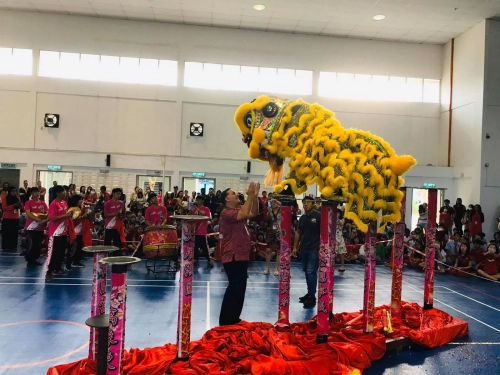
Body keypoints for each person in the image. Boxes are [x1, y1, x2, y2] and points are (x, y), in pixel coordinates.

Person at [218, 182, 259, 326]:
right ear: (227, 199)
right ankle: (229, 320)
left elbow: (253, 212)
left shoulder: (238, 209)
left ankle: (231, 318)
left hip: (241, 255)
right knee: (236, 288)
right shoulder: (226, 213)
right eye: (233, 193)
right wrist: (249, 196)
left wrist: (255, 197)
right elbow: (243, 213)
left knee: (238, 288)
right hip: (233, 256)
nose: (236, 195)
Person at [292, 196, 321, 308]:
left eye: (308, 202)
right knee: (306, 271)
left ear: (313, 204)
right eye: (304, 202)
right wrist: (295, 247)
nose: (305, 204)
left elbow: (324, 232)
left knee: (311, 272)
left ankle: (312, 297)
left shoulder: (319, 216)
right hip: (303, 248)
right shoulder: (303, 218)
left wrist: (321, 248)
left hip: (314, 249)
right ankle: (309, 293)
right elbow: (298, 233)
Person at [46, 185, 71, 281]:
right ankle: (49, 272)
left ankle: (58, 268)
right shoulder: (54, 204)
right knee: (53, 253)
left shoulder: (64, 203)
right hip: (55, 233)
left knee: (61, 252)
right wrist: (66, 215)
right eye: (63, 192)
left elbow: (67, 216)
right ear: (57, 193)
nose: (65, 193)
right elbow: (53, 218)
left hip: (63, 232)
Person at [24, 187, 49, 267]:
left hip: (40, 227)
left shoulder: (43, 203)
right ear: (31, 193)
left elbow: (48, 212)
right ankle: (30, 260)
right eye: (35, 192)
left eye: (38, 192)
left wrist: (45, 220)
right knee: (31, 244)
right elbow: (28, 213)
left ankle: (35, 259)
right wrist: (37, 219)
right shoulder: (29, 203)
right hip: (31, 227)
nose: (37, 194)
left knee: (38, 244)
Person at [191, 195, 213, 267]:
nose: (198, 201)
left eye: (199, 200)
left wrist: (199, 212)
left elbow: (207, 218)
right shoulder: (193, 210)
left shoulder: (206, 209)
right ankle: (195, 259)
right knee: (195, 246)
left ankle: (209, 259)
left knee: (204, 247)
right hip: (195, 231)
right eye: (197, 200)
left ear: (202, 201)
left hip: (202, 231)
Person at [104, 188, 126, 256]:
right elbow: (105, 214)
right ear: (113, 193)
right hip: (109, 226)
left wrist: (121, 216)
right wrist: (115, 214)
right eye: (117, 194)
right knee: (107, 242)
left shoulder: (121, 203)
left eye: (120, 194)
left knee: (117, 243)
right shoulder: (108, 203)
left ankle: (117, 258)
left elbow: (123, 214)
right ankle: (105, 256)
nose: (119, 195)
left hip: (118, 226)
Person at [1, 187, 23, 252]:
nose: (14, 192)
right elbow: (4, 208)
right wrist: (13, 206)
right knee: (6, 233)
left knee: (14, 233)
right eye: (12, 191)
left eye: (15, 191)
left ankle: (13, 246)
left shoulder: (17, 198)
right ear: (9, 192)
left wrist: (20, 205)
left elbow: (22, 207)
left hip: (15, 217)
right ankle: (6, 246)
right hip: (7, 218)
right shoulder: (5, 199)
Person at [263, 198, 281, 275]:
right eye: (272, 203)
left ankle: (277, 269)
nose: (274, 204)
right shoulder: (270, 212)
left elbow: (286, 207)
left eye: (275, 202)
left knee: (279, 251)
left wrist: (277, 201)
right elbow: (266, 219)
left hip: (280, 232)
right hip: (272, 232)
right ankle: (267, 267)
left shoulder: (282, 210)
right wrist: (269, 213)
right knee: (268, 250)